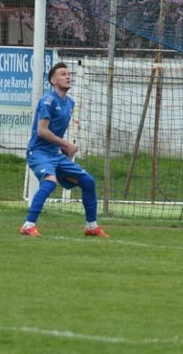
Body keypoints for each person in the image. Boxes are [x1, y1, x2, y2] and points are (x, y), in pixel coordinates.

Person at [20, 62, 108, 238]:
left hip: (55, 154)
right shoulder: (48, 101)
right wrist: (65, 143)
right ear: (53, 80)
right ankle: (28, 225)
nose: (68, 76)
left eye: (68, 74)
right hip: (38, 152)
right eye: (62, 74)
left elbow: (53, 133)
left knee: (88, 182)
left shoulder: (70, 103)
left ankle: (91, 226)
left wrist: (61, 147)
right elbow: (42, 131)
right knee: (50, 182)